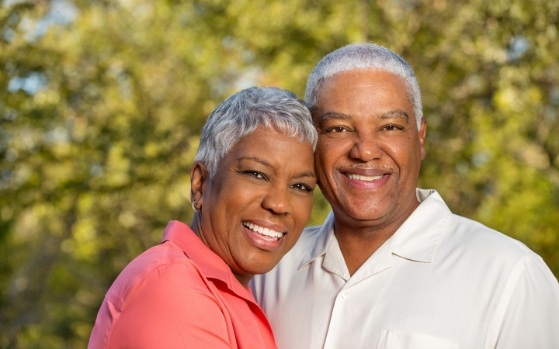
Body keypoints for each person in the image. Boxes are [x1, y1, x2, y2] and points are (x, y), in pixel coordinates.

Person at [251, 43, 559, 348]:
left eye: (389, 127)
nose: (365, 150)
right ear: (312, 141)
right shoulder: (268, 269)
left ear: (420, 138)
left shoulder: (510, 276)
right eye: (339, 129)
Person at [88, 86, 318, 349]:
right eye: (256, 174)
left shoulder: (238, 295)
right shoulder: (172, 288)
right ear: (200, 182)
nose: (278, 204)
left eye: (301, 187)